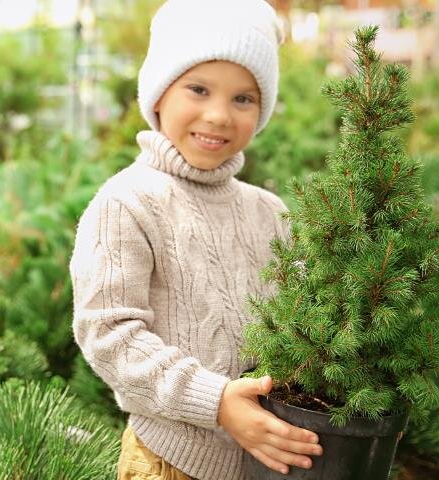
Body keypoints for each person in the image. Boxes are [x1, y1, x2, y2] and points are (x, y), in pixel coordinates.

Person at [69, 1, 325, 478]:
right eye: (199, 89)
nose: (219, 115)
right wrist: (216, 402)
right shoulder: (126, 203)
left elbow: (307, 326)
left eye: (243, 99)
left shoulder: (270, 213)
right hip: (169, 460)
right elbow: (109, 334)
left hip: (267, 461)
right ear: (159, 94)